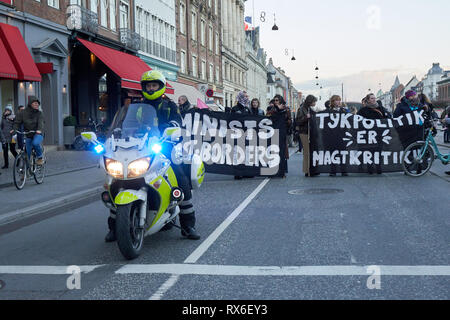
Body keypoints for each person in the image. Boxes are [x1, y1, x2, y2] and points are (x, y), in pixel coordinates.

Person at [105, 70, 200, 242]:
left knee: (179, 177)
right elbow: (128, 122)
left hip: (164, 145)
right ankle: (115, 227)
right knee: (116, 179)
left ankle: (187, 226)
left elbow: (176, 123)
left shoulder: (169, 105)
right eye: (148, 85)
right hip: (139, 146)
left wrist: (171, 129)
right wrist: (118, 130)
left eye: (154, 85)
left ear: (160, 87)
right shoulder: (137, 107)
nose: (150, 88)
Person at [13, 97, 44, 166]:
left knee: (35, 143)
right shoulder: (23, 113)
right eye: (35, 103)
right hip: (28, 134)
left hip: (37, 133)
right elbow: (17, 122)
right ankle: (25, 172)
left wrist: (39, 129)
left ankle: (40, 157)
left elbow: (41, 122)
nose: (37, 105)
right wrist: (14, 129)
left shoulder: (39, 113)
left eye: (37, 103)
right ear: (30, 104)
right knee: (28, 154)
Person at [266, 94, 292, 177]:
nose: (275, 101)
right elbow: (267, 116)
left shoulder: (286, 109)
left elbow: (289, 120)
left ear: (280, 100)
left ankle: (282, 171)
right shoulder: (272, 109)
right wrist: (277, 109)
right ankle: (272, 170)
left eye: (277, 100)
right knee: (273, 151)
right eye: (274, 100)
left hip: (282, 132)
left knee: (281, 152)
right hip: (273, 132)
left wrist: (288, 123)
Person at [296, 95, 318, 177]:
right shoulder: (302, 109)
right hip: (304, 132)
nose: (315, 103)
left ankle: (313, 169)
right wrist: (306, 117)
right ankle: (307, 170)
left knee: (312, 151)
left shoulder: (310, 109)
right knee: (306, 152)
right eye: (314, 102)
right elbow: (298, 121)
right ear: (310, 101)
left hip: (310, 132)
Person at [329, 95, 348, 176]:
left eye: (339, 100)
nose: (339, 102)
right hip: (332, 136)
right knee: (333, 153)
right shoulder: (329, 111)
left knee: (342, 153)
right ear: (333, 102)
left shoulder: (344, 111)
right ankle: (333, 170)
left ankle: (344, 170)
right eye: (337, 100)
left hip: (342, 135)